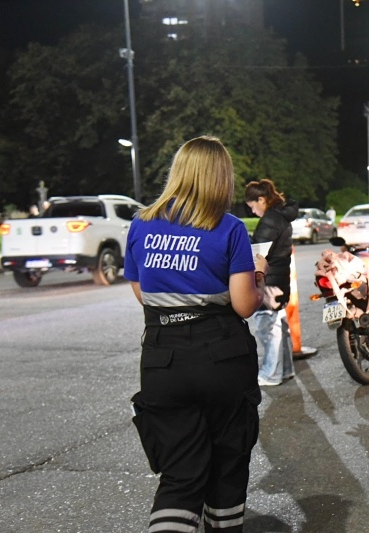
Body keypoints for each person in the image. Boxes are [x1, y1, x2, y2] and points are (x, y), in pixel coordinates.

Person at [124, 136, 267, 533]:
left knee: (179, 474)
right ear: (222, 177)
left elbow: (142, 293)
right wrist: (258, 275)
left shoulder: (141, 224)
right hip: (221, 356)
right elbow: (243, 304)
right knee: (227, 465)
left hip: (162, 359)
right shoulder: (229, 227)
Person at [245, 179, 299, 386]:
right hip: (279, 279)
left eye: (252, 206)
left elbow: (259, 252)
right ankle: (285, 370)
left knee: (267, 327)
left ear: (261, 199)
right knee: (278, 326)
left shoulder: (270, 219)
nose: (253, 211)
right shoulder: (280, 216)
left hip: (269, 281)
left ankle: (271, 374)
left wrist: (246, 240)